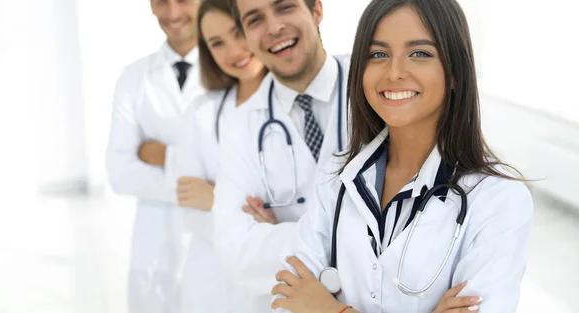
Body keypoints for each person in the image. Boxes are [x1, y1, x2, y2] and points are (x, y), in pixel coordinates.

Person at [271, 0, 533, 312]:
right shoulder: (337, 176)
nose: (395, 73)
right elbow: (287, 299)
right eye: (378, 54)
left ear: (455, 74)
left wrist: (330, 308)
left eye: (420, 53)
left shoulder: (498, 200)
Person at [211, 0, 349, 311]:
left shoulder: (373, 85)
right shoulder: (240, 124)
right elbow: (236, 252)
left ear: (317, 10)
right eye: (255, 19)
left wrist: (277, 235)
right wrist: (358, 240)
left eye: (285, 7)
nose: (274, 28)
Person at [163, 0, 267, 311]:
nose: (234, 50)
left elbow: (300, 215)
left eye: (238, 33)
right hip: (209, 278)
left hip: (273, 280)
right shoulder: (200, 112)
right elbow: (188, 200)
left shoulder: (297, 105)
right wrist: (250, 217)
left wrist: (217, 200)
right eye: (217, 43)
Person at [105, 0, 202, 312]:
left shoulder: (235, 70)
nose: (172, 13)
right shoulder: (133, 77)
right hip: (154, 245)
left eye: (184, 0)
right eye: (161, 1)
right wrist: (201, 184)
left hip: (214, 244)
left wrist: (164, 156)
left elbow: (236, 165)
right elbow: (120, 173)